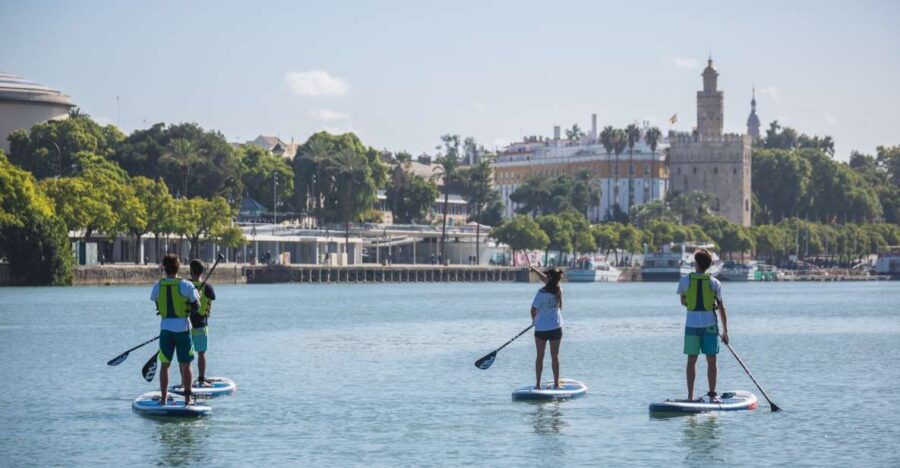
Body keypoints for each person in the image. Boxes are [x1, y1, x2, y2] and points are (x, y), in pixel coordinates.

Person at [677, 249, 728, 402]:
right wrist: (725, 331)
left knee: (691, 360)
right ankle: (712, 395)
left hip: (692, 326)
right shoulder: (715, 283)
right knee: (711, 360)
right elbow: (721, 307)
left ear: (697, 264)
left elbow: (683, 302)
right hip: (710, 326)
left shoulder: (685, 281)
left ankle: (690, 396)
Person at [151, 254, 200, 405]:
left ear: (164, 268)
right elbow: (196, 307)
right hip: (183, 330)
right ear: (178, 267)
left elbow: (155, 299)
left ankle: (164, 399)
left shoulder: (157, 286)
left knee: (164, 365)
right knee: (186, 365)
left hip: (165, 330)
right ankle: (187, 399)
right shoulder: (186, 285)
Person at [529, 267, 564, 389]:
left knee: (540, 357)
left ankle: (538, 385)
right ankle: (556, 383)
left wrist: (534, 321)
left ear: (549, 278)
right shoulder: (558, 289)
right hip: (555, 328)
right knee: (555, 356)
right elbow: (548, 280)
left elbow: (533, 310)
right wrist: (535, 270)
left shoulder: (541, 293)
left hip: (541, 330)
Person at [188, 259, 216, 386]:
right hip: (201, 324)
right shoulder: (208, 287)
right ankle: (201, 378)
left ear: (191, 271)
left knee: (186, 355)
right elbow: (212, 296)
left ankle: (186, 381)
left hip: (186, 324)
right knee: (201, 353)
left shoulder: (186, 285)